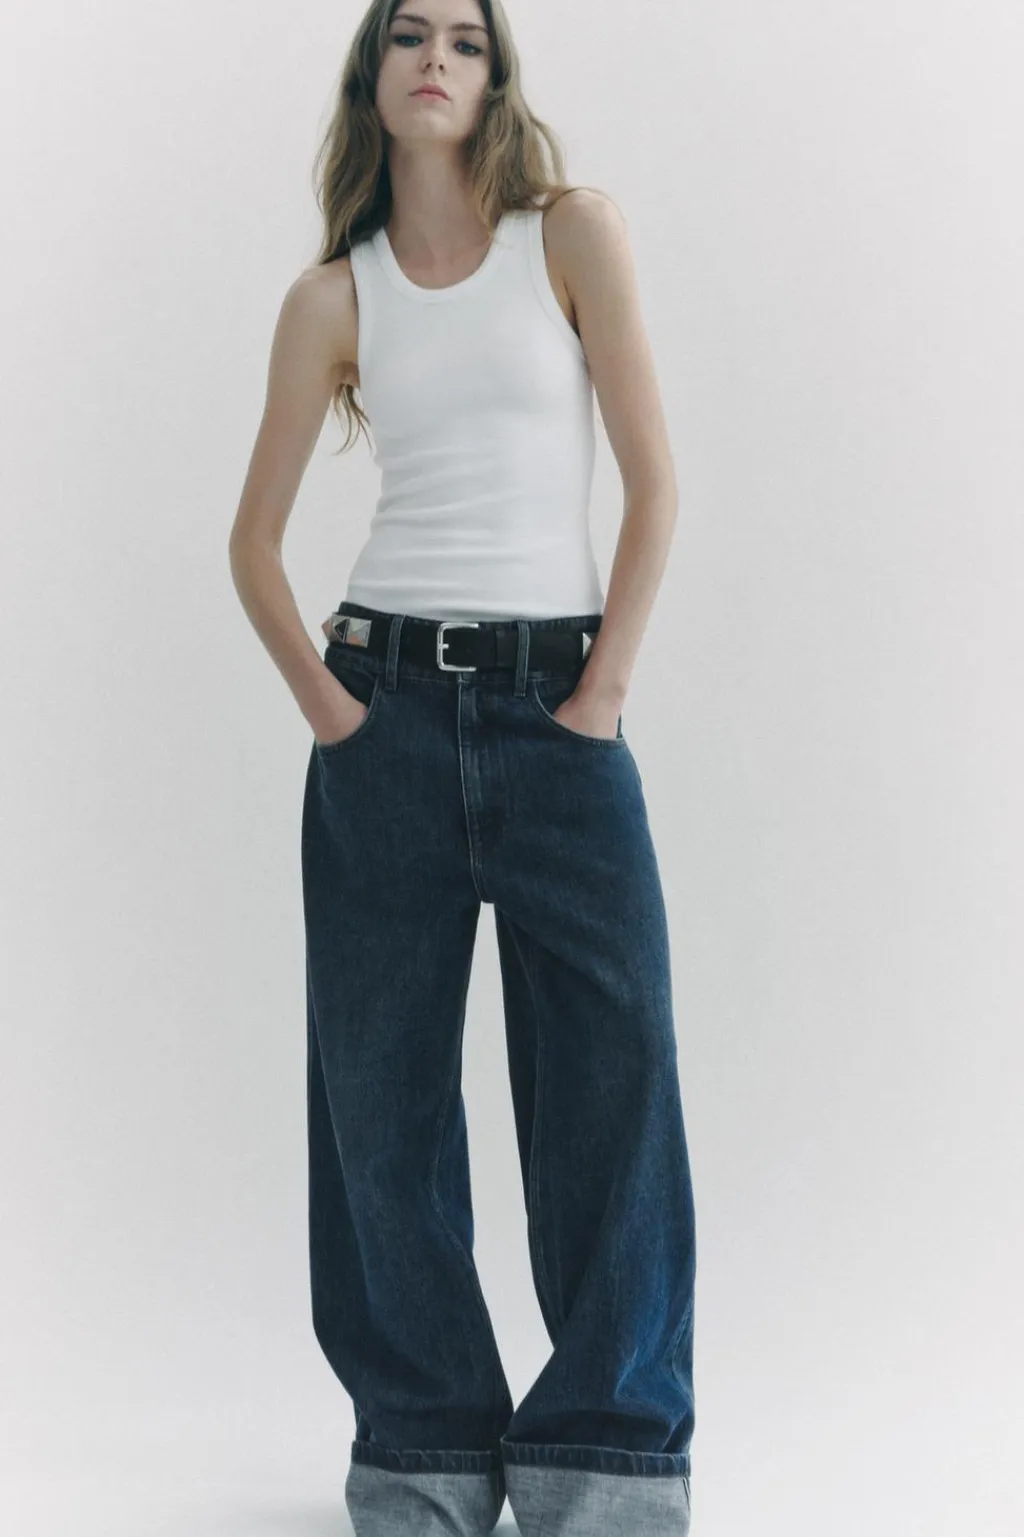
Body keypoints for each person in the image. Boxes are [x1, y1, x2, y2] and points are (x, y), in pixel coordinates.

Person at [228, 2, 696, 1533]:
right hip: (385, 719)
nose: (438, 56)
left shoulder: (571, 236)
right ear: (372, 76)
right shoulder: (331, 297)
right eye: (410, 34)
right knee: (382, 1107)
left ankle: (605, 1465)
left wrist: (600, 697)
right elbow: (251, 546)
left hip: (563, 716)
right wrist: (337, 718)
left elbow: (655, 483)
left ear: (496, 81)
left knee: (613, 1088)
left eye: (469, 41)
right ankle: (422, 1453)